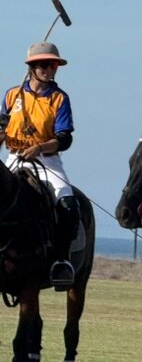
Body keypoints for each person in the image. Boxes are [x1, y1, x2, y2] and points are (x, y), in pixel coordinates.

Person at [0, 42, 79, 289]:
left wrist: (39, 148)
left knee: (68, 204)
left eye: (53, 65)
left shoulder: (59, 98)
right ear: (32, 68)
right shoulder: (12, 95)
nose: (49, 69)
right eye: (44, 64)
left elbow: (64, 139)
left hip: (47, 160)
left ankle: (61, 261)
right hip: (13, 157)